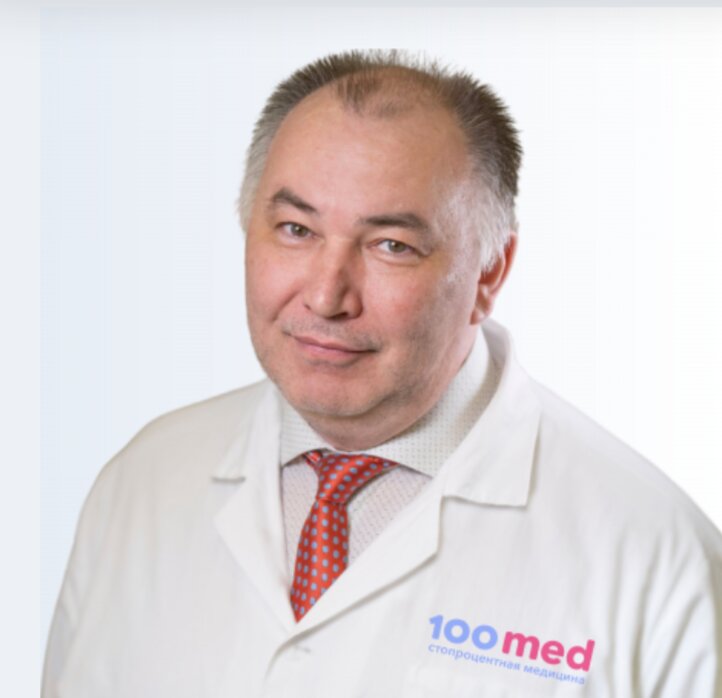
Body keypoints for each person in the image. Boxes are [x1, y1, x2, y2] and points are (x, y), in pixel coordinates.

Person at [42, 50, 722, 697]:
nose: (326, 296)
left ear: (489, 272)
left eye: (391, 245)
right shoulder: (138, 486)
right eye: (296, 229)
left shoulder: (653, 557)